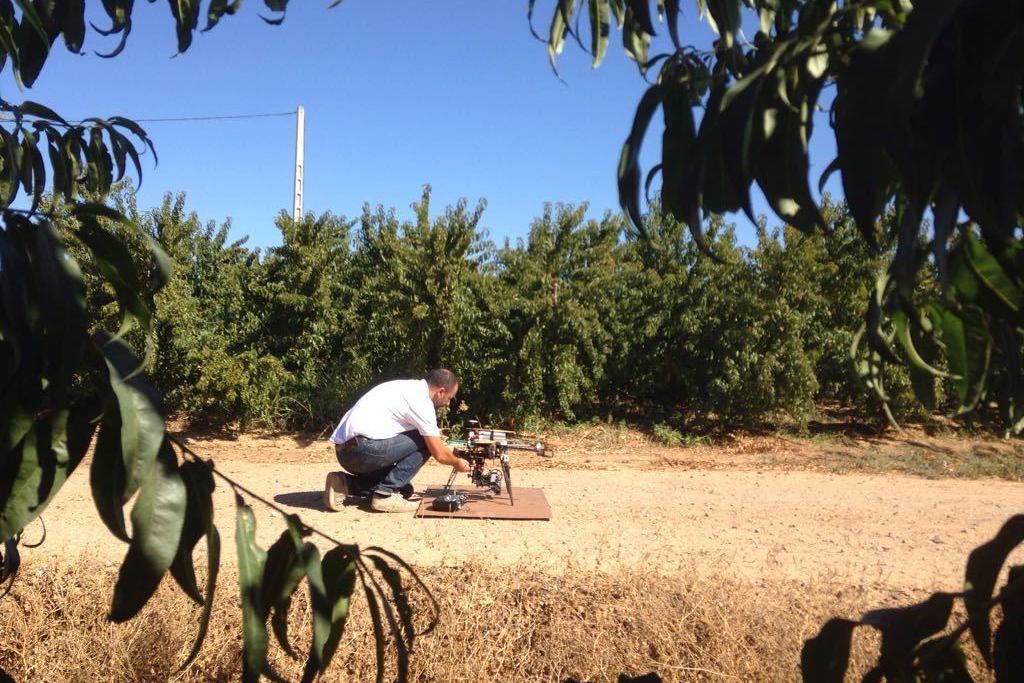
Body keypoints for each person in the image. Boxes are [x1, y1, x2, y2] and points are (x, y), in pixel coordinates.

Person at [324, 368, 471, 513]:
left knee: (404, 489)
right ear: (441, 392)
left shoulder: (406, 387)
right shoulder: (422, 402)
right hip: (363, 451)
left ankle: (344, 484)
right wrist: (457, 462)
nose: (447, 403)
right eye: (449, 398)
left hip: (344, 453)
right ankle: (384, 495)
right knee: (425, 441)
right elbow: (439, 454)